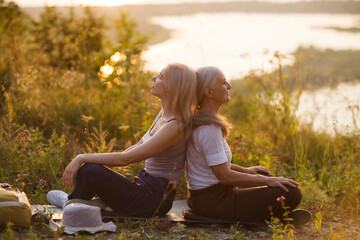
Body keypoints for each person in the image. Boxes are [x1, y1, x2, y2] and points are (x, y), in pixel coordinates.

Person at [47, 63, 197, 217]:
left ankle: (72, 202)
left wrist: (81, 157)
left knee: (89, 170)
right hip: (143, 186)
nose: (154, 78)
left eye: (160, 77)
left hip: (154, 200)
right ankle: (88, 202)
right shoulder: (164, 113)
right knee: (91, 168)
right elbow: (131, 150)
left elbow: (127, 159)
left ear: (171, 87)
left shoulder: (174, 126)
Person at [186, 66, 310, 225]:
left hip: (205, 198)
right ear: (208, 92)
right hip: (212, 202)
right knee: (292, 193)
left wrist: (248, 171)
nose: (229, 86)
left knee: (267, 178)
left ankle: (269, 215)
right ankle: (271, 218)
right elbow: (224, 176)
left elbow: (218, 165)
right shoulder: (209, 129)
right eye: (223, 83)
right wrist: (266, 182)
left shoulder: (204, 122)